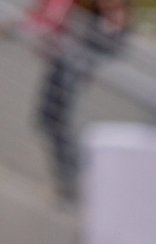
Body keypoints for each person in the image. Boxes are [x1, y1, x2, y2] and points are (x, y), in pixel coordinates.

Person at [32, 0, 131, 201]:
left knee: (59, 123)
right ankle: (70, 175)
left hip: (74, 74)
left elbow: (111, 45)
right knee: (47, 120)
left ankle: (73, 177)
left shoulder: (114, 20)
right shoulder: (90, 12)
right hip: (64, 68)